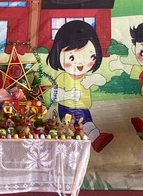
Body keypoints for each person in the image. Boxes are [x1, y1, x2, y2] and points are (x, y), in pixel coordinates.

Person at [43, 20, 113, 152]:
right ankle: (76, 147)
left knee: (88, 123)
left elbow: (101, 81)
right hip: (67, 109)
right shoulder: (63, 77)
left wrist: (94, 79)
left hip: (84, 108)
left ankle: (96, 140)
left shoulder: (86, 78)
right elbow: (54, 94)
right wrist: (67, 95)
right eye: (72, 58)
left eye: (90, 56)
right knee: (74, 128)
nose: (80, 63)